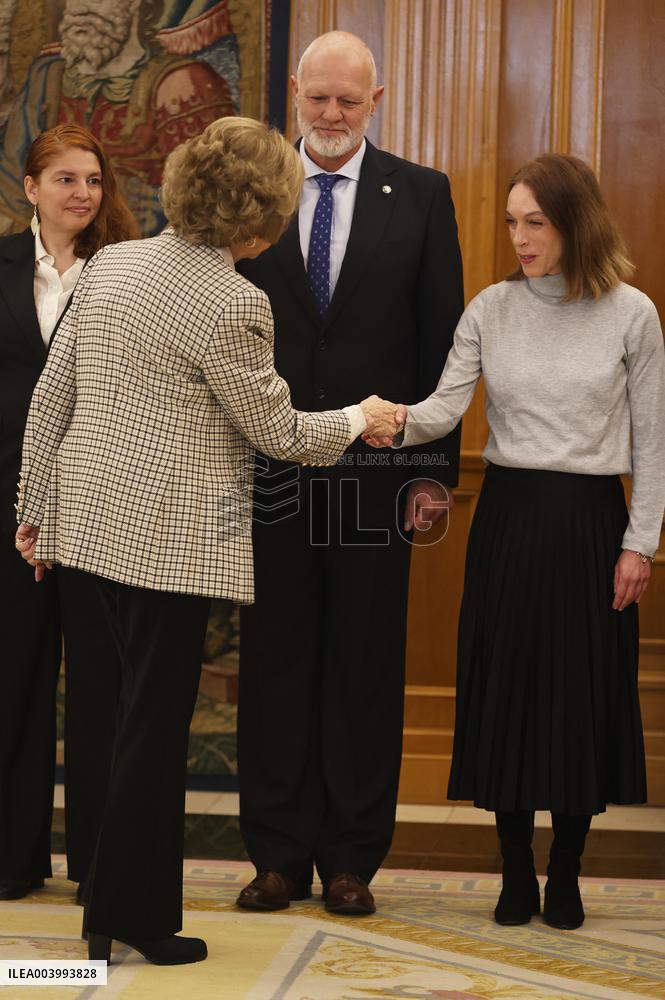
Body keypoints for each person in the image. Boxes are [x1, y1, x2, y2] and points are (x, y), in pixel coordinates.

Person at [15, 116, 400, 965]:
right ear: (260, 219)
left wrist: (32, 510)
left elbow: (52, 396)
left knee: (111, 729)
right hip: (165, 550)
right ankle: (135, 919)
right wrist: (359, 416)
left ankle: (107, 913)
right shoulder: (233, 300)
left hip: (81, 531)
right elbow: (280, 433)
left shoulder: (113, 263)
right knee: (151, 738)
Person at [366, 153, 665, 930]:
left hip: (590, 524)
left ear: (574, 222)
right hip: (506, 520)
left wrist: (639, 544)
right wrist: (376, 418)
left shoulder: (631, 313)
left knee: (578, 698)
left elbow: (652, 442)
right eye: (511, 222)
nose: (520, 238)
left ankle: (564, 872)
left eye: (535, 222)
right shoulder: (490, 309)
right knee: (505, 691)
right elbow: (441, 410)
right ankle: (512, 872)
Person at [235, 30, 464, 917]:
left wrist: (430, 478)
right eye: (318, 97)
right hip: (269, 470)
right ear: (294, 90)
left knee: (364, 668)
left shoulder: (423, 194)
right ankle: (276, 855)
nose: (331, 115)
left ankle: (350, 860)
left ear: (377, 101)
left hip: (377, 480)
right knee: (275, 662)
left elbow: (439, 345)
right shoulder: (254, 187)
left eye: (348, 100)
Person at [0, 123, 137, 902]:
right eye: (65, 179)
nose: (82, 193)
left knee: (99, 687)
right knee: (13, 676)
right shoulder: (2, 263)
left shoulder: (124, 270)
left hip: (99, 506)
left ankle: (100, 864)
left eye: (92, 179)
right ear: (31, 188)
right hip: (6, 505)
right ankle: (12, 858)